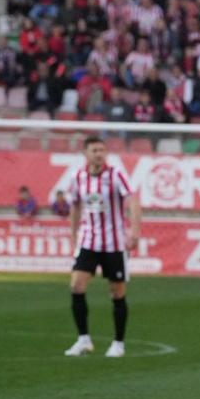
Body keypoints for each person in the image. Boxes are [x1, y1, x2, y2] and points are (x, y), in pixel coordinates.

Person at [64, 136, 141, 358]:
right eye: (94, 150)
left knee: (117, 292)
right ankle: (83, 340)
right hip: (88, 241)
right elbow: (75, 206)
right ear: (85, 153)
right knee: (76, 286)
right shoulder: (78, 176)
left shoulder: (116, 175)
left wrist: (135, 231)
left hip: (114, 244)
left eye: (102, 150)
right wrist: (73, 235)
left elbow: (133, 200)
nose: (99, 154)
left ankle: (118, 343)